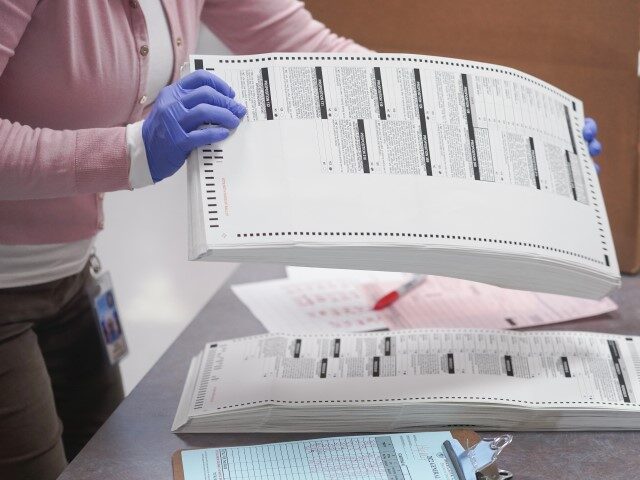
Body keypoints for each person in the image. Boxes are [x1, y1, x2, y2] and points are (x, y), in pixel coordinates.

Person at [0, 2, 601, 479]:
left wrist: (518, 133)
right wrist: (129, 151)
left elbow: (318, 54)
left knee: (103, 461)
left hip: (73, 273)